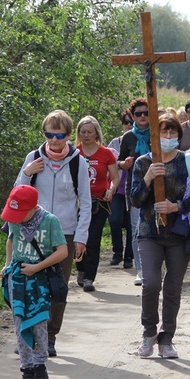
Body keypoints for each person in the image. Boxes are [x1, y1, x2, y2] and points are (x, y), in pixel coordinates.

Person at [131, 114, 190, 359]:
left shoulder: (188, 161)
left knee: (173, 287)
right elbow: (134, 199)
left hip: (179, 234)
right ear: (155, 136)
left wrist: (176, 207)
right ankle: (149, 332)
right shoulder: (143, 163)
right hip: (149, 233)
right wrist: (149, 177)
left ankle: (167, 339)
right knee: (151, 283)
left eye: (172, 133)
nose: (167, 137)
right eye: (163, 132)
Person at [15, 109, 91, 357]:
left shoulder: (79, 162)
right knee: (29, 286)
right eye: (49, 134)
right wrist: (27, 173)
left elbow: (85, 202)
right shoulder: (33, 157)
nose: (54, 140)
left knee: (57, 286)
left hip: (65, 233)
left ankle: (49, 337)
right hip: (31, 230)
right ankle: (27, 336)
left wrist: (81, 237)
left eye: (59, 135)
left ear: (69, 135)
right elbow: (17, 196)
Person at [1, 185, 67, 379]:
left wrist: (37, 267)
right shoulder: (14, 220)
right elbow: (11, 241)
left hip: (40, 280)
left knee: (38, 322)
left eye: (20, 213)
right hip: (18, 277)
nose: (16, 218)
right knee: (19, 322)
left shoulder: (50, 221)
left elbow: (62, 251)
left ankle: (40, 365)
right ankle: (26, 366)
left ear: (33, 207)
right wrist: (7, 265)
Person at [75, 115, 119, 292]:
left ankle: (89, 277)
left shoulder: (106, 153)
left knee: (93, 238)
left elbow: (115, 177)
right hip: (76, 203)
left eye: (89, 132)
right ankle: (80, 268)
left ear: (96, 134)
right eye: (82, 132)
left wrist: (112, 189)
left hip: (98, 203)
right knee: (78, 237)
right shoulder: (74, 152)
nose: (86, 135)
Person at [117, 98, 151, 285]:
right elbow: (119, 162)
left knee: (157, 228)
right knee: (137, 230)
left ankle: (155, 267)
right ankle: (141, 269)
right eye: (138, 114)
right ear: (132, 116)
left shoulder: (158, 133)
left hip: (158, 187)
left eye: (146, 112)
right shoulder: (128, 137)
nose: (143, 116)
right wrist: (124, 163)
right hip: (135, 188)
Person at [107, 112, 134, 269]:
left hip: (133, 189)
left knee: (131, 223)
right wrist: (120, 164)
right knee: (114, 220)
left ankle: (129, 256)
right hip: (116, 189)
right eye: (126, 122)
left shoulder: (139, 141)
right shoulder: (114, 143)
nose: (129, 125)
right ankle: (117, 252)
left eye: (132, 122)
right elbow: (108, 163)